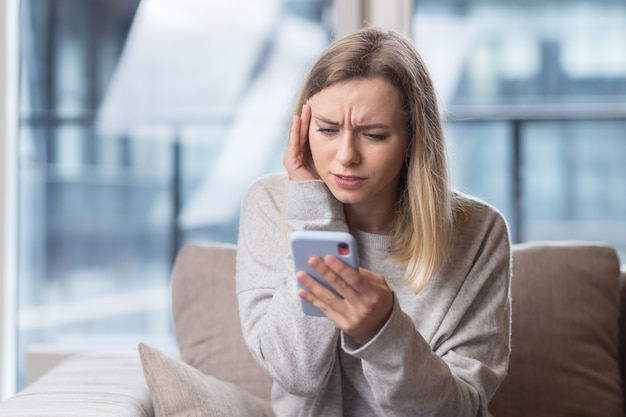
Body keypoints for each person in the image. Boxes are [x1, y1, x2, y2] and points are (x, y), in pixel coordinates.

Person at [236, 26, 511, 417]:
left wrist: (385, 333)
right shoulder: (270, 204)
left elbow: (460, 409)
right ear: (303, 130)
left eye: (374, 135)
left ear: (413, 139)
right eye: (328, 130)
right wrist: (315, 215)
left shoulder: (480, 232)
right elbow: (296, 374)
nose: (346, 155)